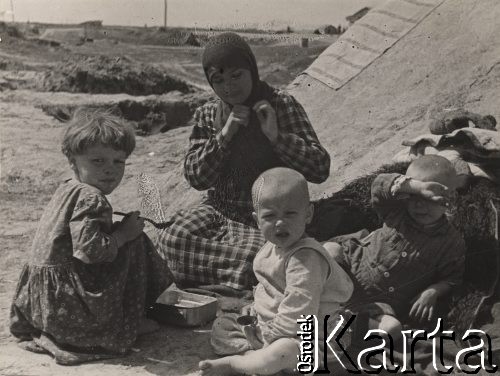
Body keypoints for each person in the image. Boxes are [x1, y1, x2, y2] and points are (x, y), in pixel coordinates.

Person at [157, 32, 330, 290]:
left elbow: (319, 168)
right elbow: (196, 178)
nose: (229, 87)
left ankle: (237, 277)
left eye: (236, 75)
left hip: (267, 216)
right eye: (219, 80)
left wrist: (276, 136)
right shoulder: (208, 114)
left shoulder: (281, 105)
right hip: (220, 209)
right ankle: (244, 280)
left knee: (258, 257)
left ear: (251, 69)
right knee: (172, 239)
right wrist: (224, 135)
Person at [9, 108, 173, 365]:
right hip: (70, 311)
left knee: (124, 235)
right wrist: (123, 234)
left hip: (42, 308)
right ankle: (128, 321)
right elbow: (91, 251)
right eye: (98, 161)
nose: (110, 170)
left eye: (118, 162)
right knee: (136, 242)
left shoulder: (69, 188)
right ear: (73, 161)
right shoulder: (91, 197)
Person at [199, 167, 353, 375]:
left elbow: (299, 311)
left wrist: (268, 335)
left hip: (314, 334)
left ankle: (238, 363)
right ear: (257, 220)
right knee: (223, 327)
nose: (280, 223)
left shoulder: (305, 258)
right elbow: (269, 289)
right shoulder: (271, 248)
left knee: (285, 350)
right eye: (270, 216)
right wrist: (254, 309)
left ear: (308, 214)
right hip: (275, 325)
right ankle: (260, 360)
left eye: (290, 213)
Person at [324, 155, 466, 342]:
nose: (419, 204)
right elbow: (379, 184)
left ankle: (337, 320)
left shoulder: (451, 241)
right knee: (330, 250)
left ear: (450, 197)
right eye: (413, 197)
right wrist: (416, 187)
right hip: (349, 272)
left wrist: (432, 291)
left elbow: (452, 277)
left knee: (392, 329)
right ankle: (321, 306)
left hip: (378, 305)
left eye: (429, 198)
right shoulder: (396, 211)